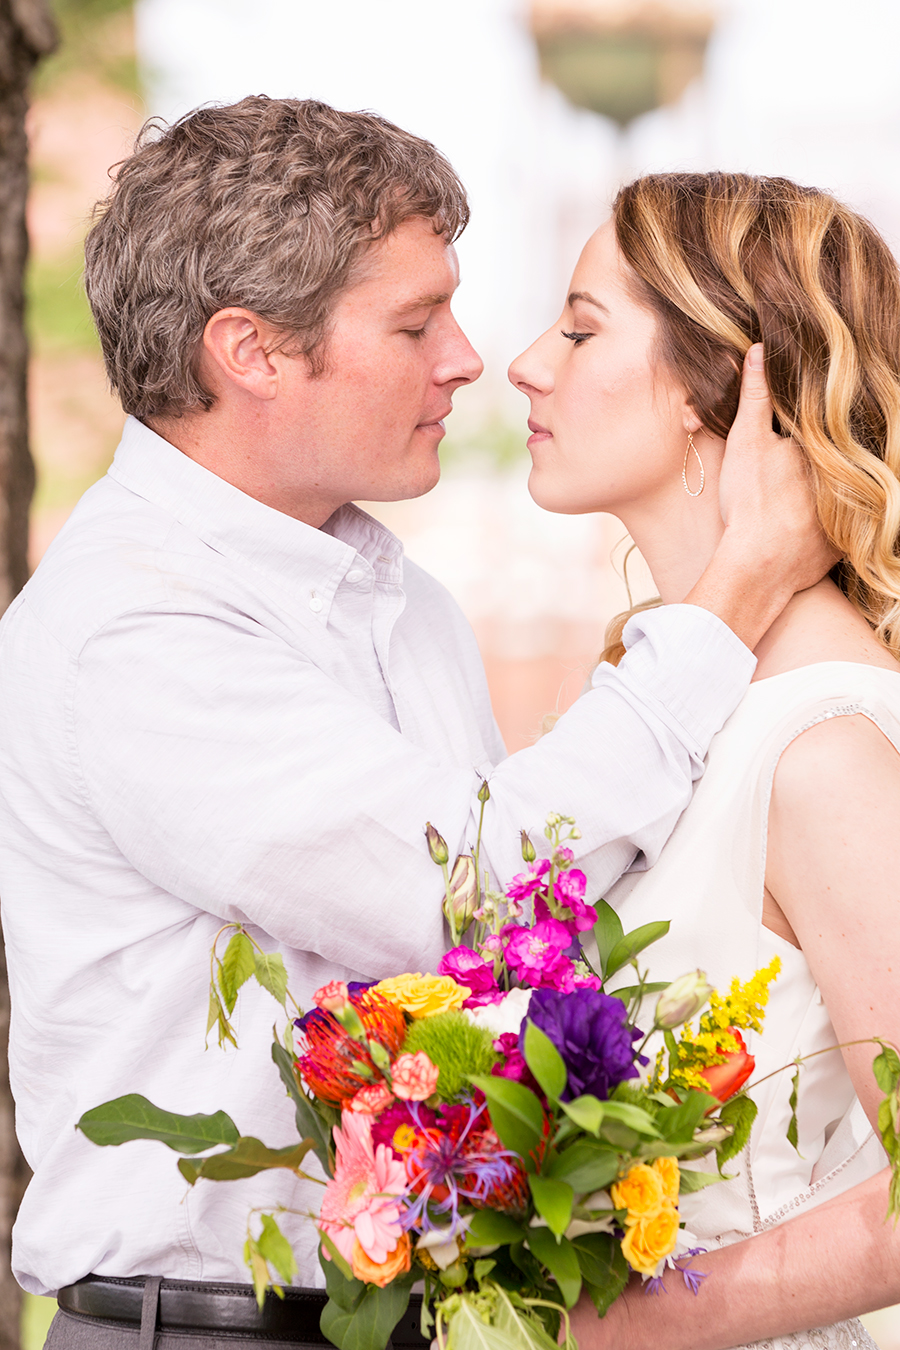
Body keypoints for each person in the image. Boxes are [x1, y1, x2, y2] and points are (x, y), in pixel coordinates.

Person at [0, 103, 827, 1350]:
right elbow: (478, 893)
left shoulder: (403, 603)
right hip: (216, 1331)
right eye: (412, 322)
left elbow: (501, 989)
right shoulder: (137, 630)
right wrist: (733, 598)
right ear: (253, 352)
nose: (468, 358)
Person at [509, 170, 900, 1350]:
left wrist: (612, 1328)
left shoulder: (822, 750)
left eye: (581, 329)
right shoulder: (658, 712)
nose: (527, 363)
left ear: (723, 385)